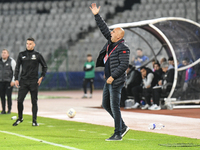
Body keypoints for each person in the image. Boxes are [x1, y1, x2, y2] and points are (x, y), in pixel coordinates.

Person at [90, 3, 130, 141]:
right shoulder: (111, 42)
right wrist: (96, 15)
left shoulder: (123, 48)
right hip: (109, 79)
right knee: (106, 105)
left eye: (113, 32)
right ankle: (123, 126)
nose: (110, 33)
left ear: (118, 36)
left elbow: (124, 65)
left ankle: (118, 133)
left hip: (116, 80)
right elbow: (103, 28)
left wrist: (113, 76)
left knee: (114, 106)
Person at [13, 37, 47, 126]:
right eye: (27, 43)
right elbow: (17, 67)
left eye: (30, 44)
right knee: (19, 100)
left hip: (33, 81)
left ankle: (34, 121)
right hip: (23, 81)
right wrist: (16, 78)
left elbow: (45, 66)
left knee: (34, 101)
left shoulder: (38, 55)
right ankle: (20, 118)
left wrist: (42, 77)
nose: (28, 45)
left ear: (34, 44)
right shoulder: (21, 54)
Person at [0, 49, 16, 114]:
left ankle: (9, 109)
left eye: (5, 53)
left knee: (9, 96)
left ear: (8, 54)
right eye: (2, 53)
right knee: (2, 96)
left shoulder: (12, 61)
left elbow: (15, 72)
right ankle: (3, 110)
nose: (3, 54)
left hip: (8, 82)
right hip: (1, 81)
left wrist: (13, 80)